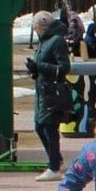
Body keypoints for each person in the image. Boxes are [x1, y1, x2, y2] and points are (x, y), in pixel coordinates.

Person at [25, 11, 70, 179]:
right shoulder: (44, 41)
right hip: (41, 90)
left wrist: (40, 66)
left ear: (42, 27)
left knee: (49, 127)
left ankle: (54, 167)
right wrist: (34, 69)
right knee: (39, 125)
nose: (36, 31)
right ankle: (56, 160)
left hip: (52, 92)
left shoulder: (57, 40)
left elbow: (64, 67)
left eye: (36, 27)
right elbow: (42, 66)